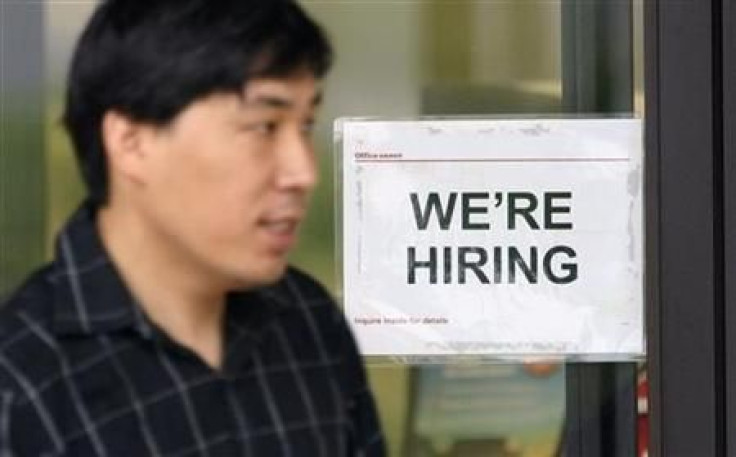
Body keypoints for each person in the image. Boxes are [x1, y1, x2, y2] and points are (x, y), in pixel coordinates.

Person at [0, 0, 385, 455]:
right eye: (264, 126)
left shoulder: (309, 324)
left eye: (305, 126)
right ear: (131, 141)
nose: (303, 172)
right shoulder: (20, 385)